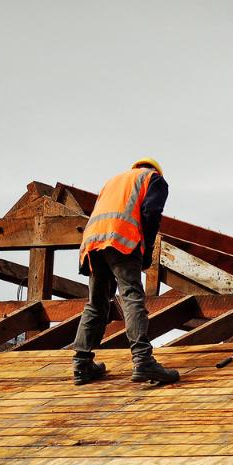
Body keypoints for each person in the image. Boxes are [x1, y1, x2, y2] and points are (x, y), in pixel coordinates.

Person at [72, 158, 179, 385]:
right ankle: (143, 361)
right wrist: (147, 248)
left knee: (96, 302)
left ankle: (82, 364)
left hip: (92, 243)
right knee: (131, 296)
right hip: (121, 238)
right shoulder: (154, 179)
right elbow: (151, 211)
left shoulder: (113, 181)